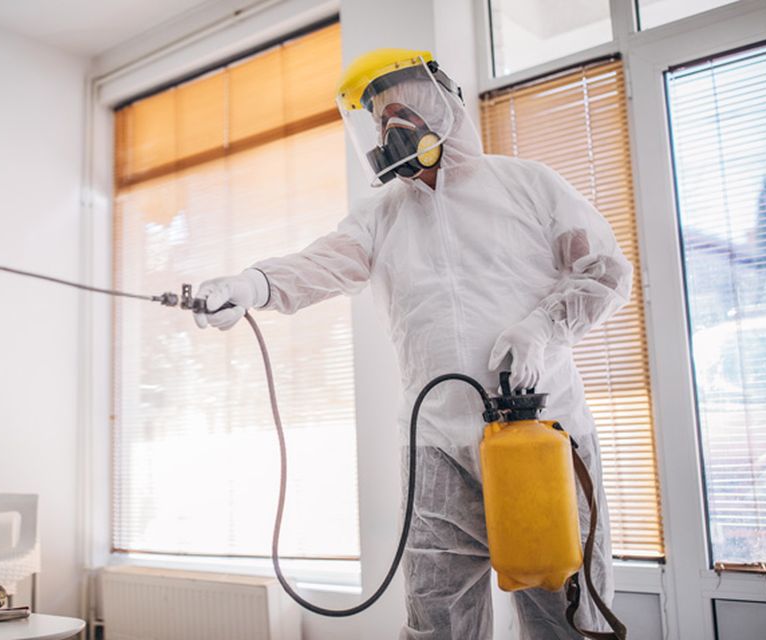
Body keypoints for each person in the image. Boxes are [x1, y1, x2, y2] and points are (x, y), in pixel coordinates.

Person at [193, 48, 632, 640]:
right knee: (437, 623)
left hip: (542, 433)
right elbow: (324, 263)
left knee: (566, 617)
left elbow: (603, 271)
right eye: (378, 122)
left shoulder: (526, 185)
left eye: (402, 112)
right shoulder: (382, 216)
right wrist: (253, 284)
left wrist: (542, 328)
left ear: (441, 107)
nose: (389, 130)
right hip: (439, 450)